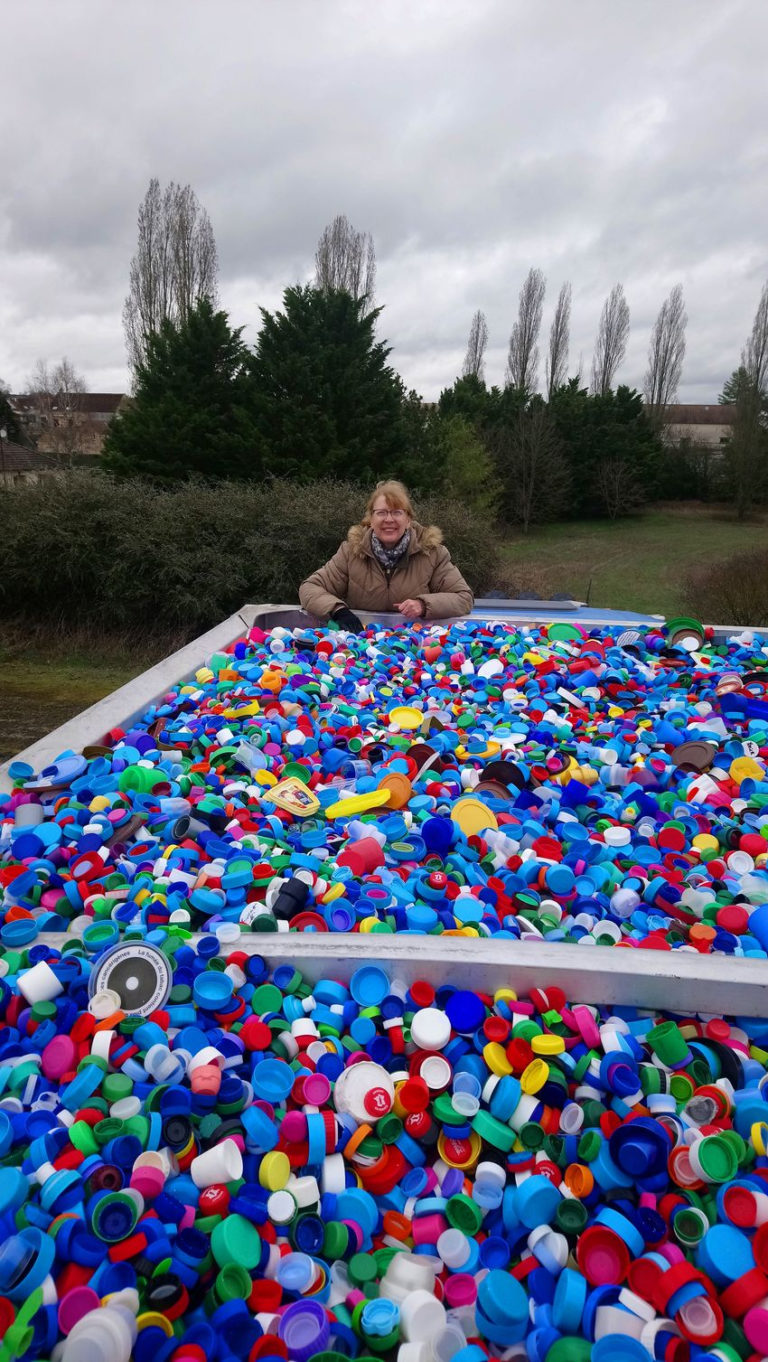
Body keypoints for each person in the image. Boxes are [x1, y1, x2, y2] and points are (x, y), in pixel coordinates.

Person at [299, 480, 474, 631]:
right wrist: (338, 611)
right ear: (371, 519)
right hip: (360, 646)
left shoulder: (433, 553)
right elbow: (310, 588)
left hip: (415, 646)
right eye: (381, 512)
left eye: (397, 512)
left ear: (408, 519)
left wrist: (423, 605)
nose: (389, 520)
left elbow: (463, 598)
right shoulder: (350, 552)